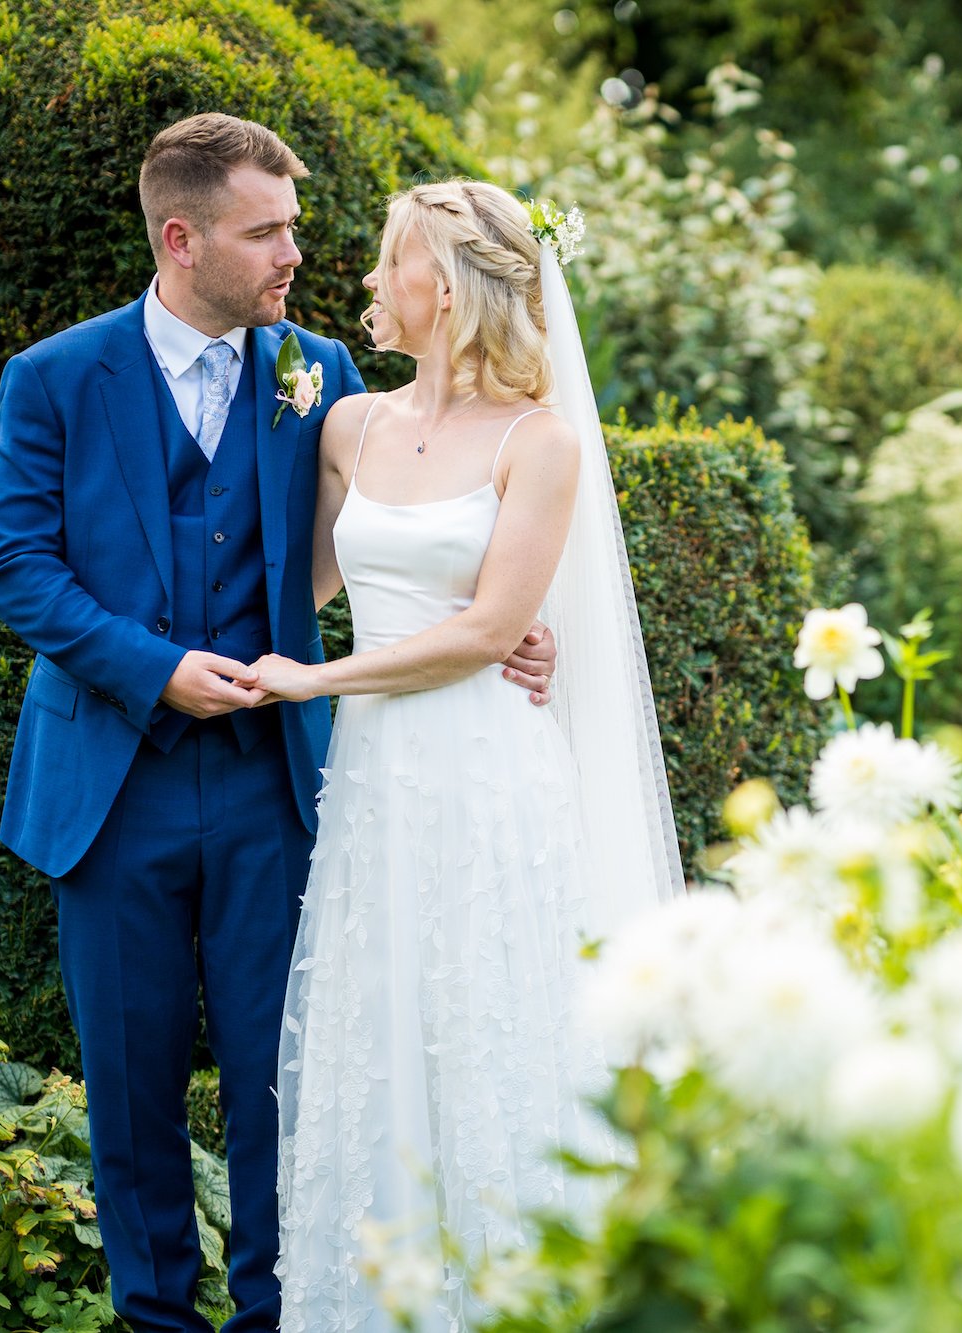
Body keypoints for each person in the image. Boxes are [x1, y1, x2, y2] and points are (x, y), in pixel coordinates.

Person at [0, 113, 556, 1333]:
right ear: (183, 239)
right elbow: (16, 566)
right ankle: (153, 1319)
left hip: (277, 781)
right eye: (268, 230)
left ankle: (275, 1315)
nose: (295, 251)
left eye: (291, 226)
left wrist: (496, 620)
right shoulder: (55, 379)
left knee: (285, 1077)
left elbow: (377, 541)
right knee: (130, 1088)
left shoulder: (322, 375)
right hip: (111, 783)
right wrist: (158, 667)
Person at [249, 179, 683, 1331]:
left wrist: (317, 680)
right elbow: (300, 587)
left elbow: (493, 630)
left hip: (487, 769)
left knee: (494, 1025)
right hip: (378, 781)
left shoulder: (539, 442)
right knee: (378, 1022)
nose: (367, 283)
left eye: (388, 263)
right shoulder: (348, 421)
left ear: (439, 289)